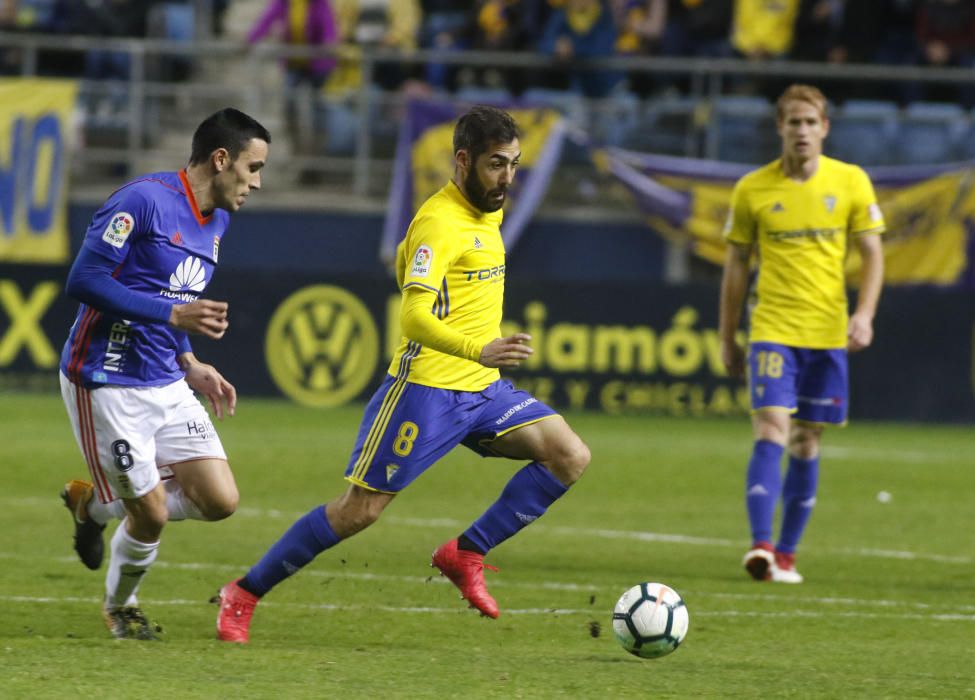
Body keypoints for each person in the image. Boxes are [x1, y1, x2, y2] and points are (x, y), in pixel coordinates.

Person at [214, 105, 591, 643]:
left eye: (513, 164)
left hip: (482, 391)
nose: (507, 177)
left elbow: (406, 262)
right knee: (358, 511)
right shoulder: (439, 221)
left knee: (569, 455)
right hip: (427, 391)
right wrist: (477, 348)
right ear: (462, 161)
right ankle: (244, 592)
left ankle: (465, 553)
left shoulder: (489, 210)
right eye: (495, 165)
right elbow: (414, 315)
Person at [58, 108, 271, 639]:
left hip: (166, 379)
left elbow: (174, 294)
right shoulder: (143, 201)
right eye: (253, 166)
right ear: (221, 159)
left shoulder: (217, 220)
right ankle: (121, 607)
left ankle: (94, 506)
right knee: (150, 514)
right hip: (106, 381)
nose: (258, 182)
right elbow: (83, 280)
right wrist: (173, 317)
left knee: (220, 501)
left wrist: (188, 360)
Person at [718, 84, 885, 584]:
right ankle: (761, 548)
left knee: (807, 442)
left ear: (825, 128)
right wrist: (728, 336)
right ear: (780, 128)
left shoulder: (851, 182)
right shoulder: (752, 189)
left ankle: (787, 555)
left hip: (827, 333)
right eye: (794, 122)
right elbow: (734, 267)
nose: (803, 131)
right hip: (771, 328)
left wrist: (866, 314)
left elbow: (874, 254)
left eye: (811, 122)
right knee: (772, 429)